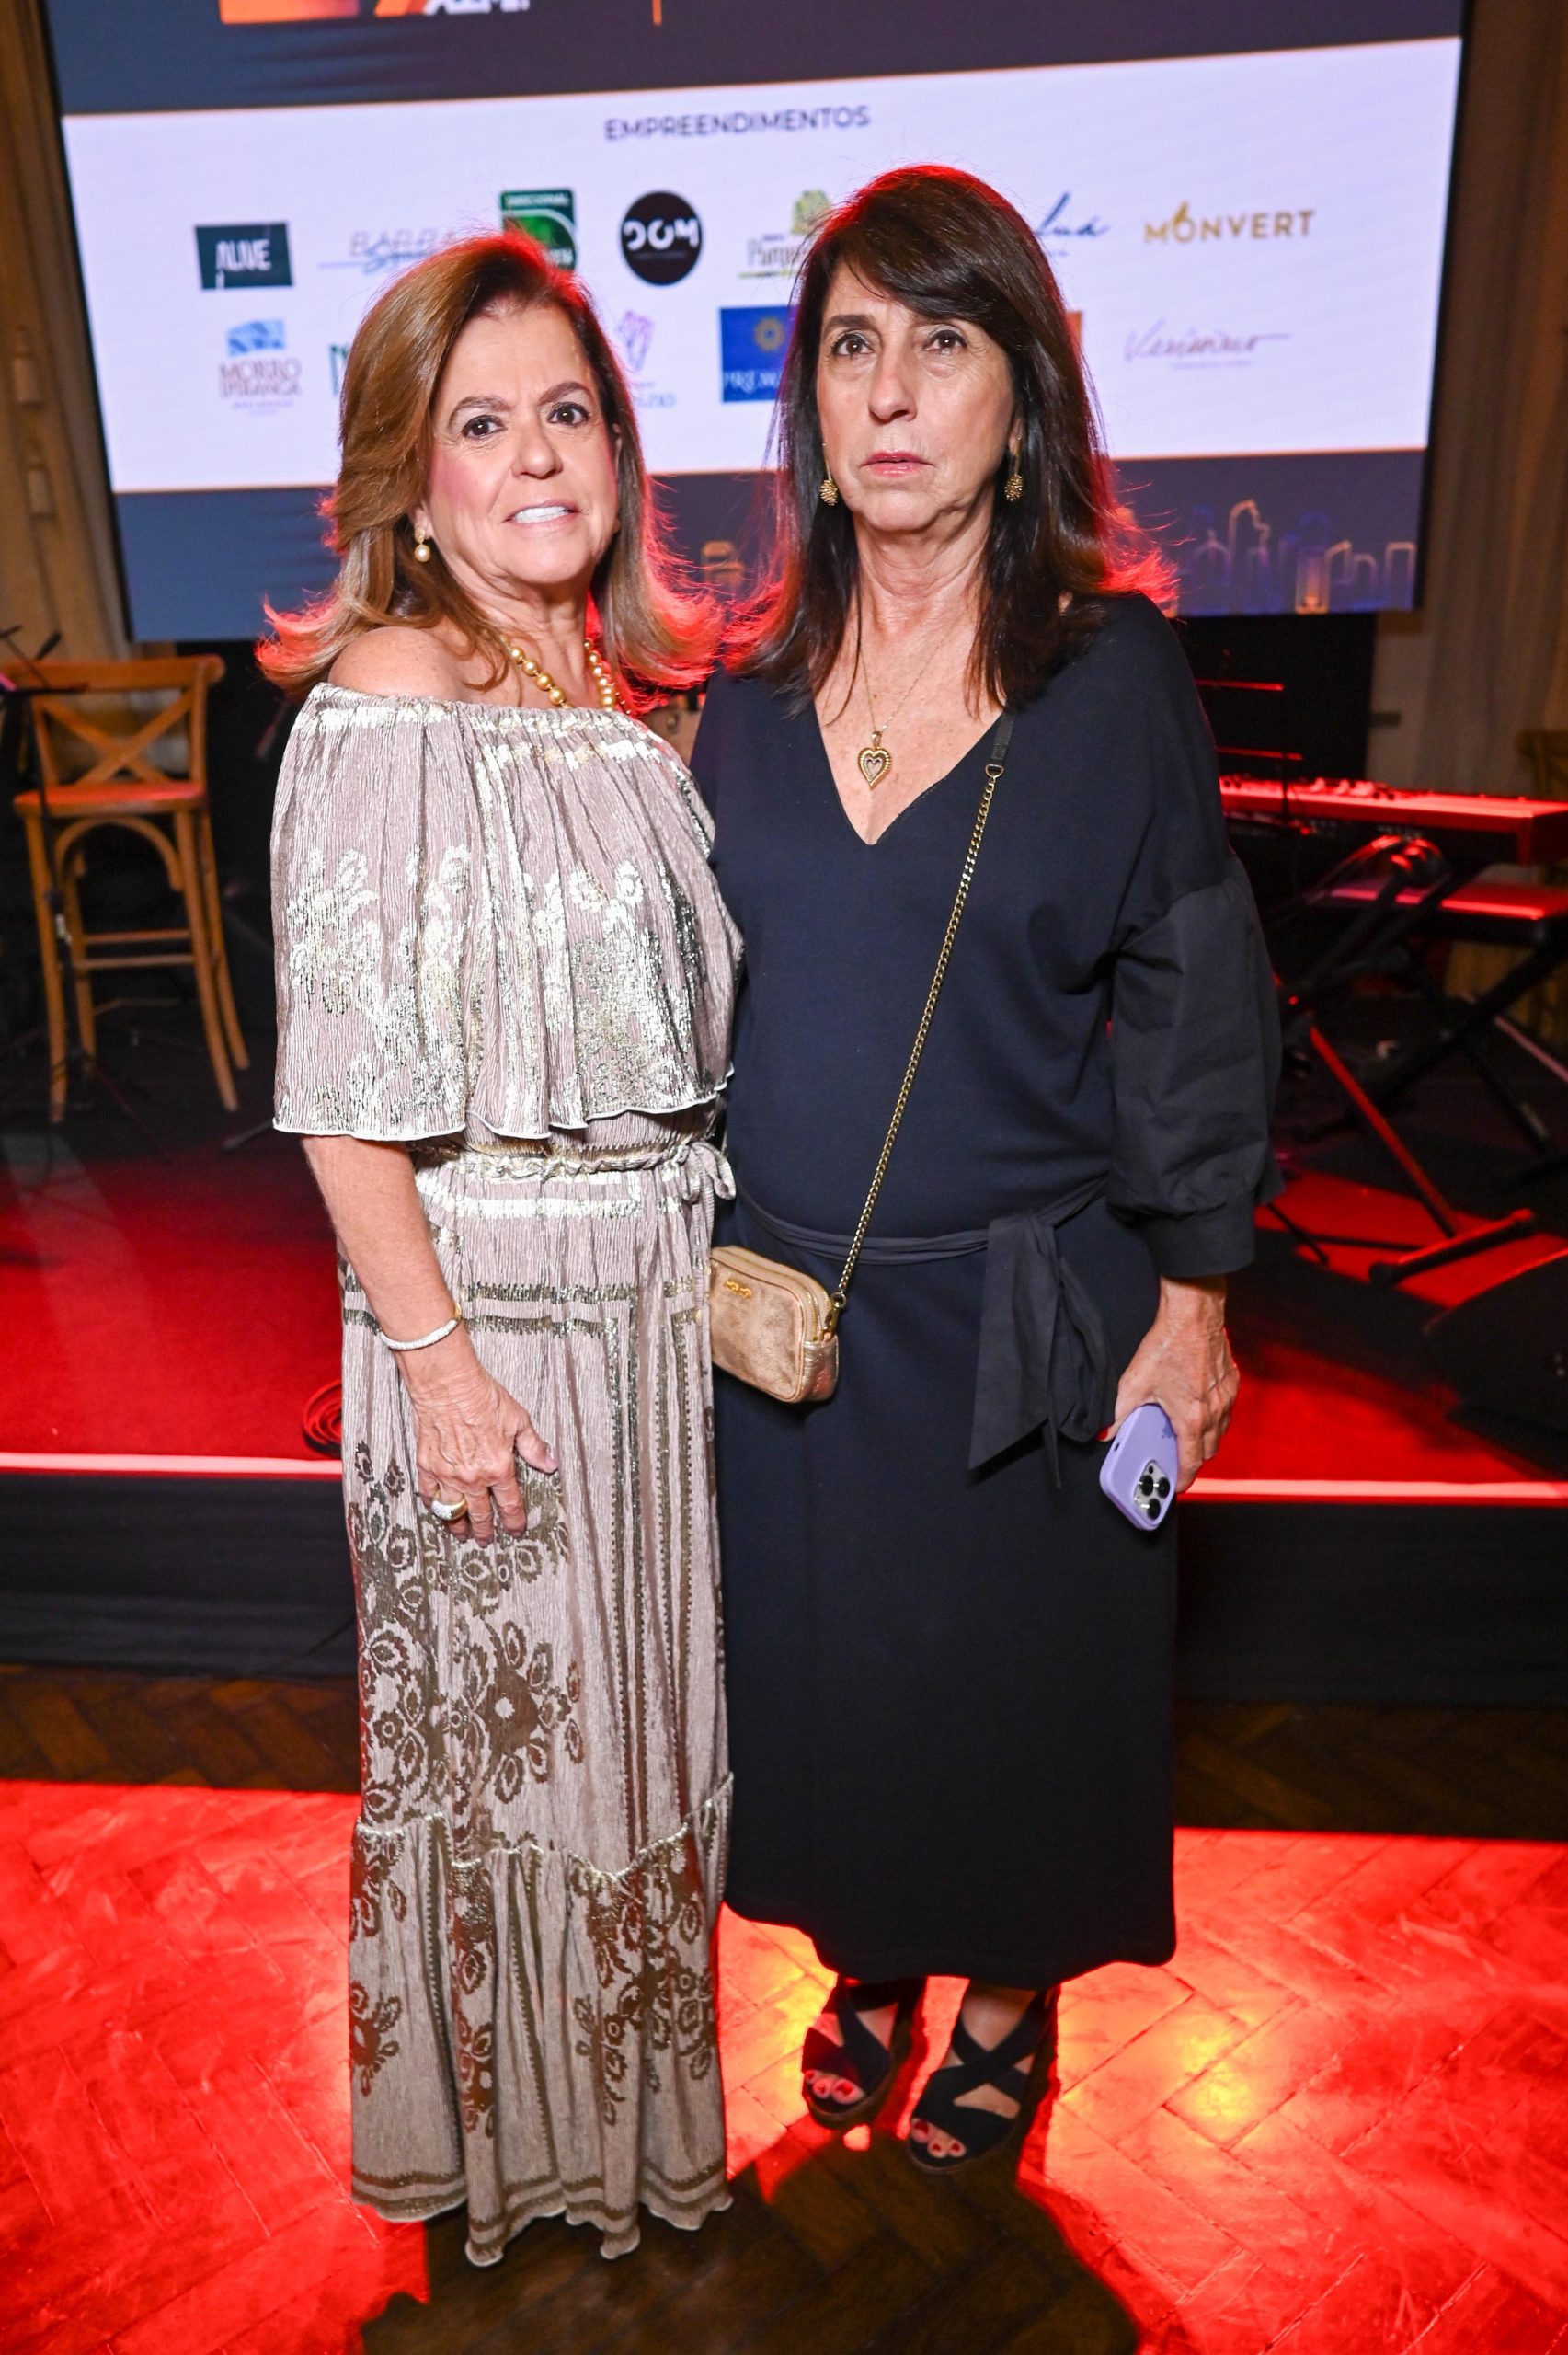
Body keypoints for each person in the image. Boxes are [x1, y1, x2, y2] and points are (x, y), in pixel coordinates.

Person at [690, 167, 1279, 2172]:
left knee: (1022, 1695)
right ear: (808, 404)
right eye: (852, 344)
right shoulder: (742, 700)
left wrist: (1193, 1307)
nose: (890, 391)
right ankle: (871, 1955)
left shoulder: (1110, 682)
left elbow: (1196, 1004)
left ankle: (1009, 1993)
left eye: (941, 343)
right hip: (792, 1330)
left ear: (1020, 399)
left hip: (1034, 1327)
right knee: (837, 1684)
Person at [262, 234, 738, 2260]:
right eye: (483, 422)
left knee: (634, 1750)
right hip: (492, 1332)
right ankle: (519, 2160)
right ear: (411, 474)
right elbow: (341, 1092)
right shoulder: (397, 692)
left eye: (566, 411)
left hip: (641, 1320)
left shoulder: (630, 704)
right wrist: (440, 1366)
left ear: (617, 448)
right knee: (513, 1774)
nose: (536, 455)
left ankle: (623, 2139)